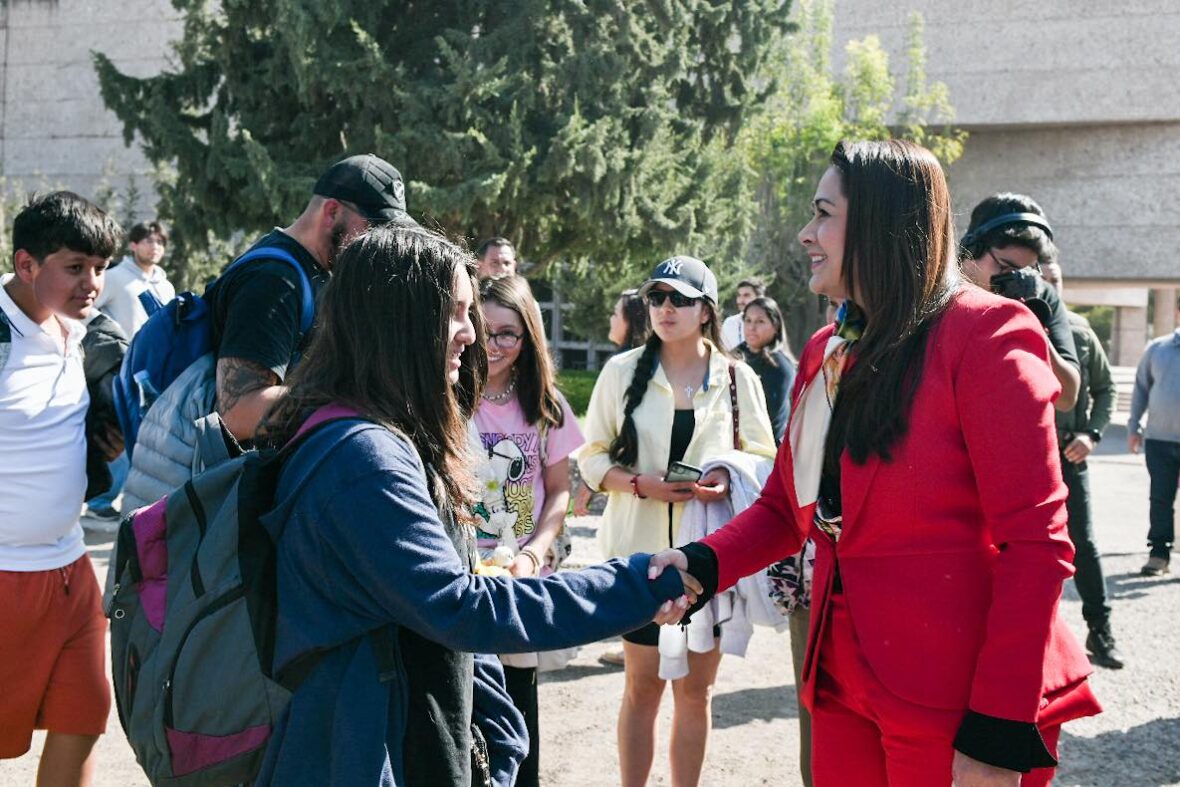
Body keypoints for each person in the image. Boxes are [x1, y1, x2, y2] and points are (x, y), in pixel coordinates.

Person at [651, 140, 1102, 787]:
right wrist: (701, 563)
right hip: (839, 678)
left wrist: (998, 731)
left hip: (956, 699)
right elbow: (786, 506)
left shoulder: (989, 336)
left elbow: (1036, 544)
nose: (807, 233)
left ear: (880, 225)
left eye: (823, 214)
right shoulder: (825, 352)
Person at [252, 225, 695, 786]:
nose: (471, 334)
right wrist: (634, 586)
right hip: (361, 751)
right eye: (457, 313)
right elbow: (462, 608)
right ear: (401, 320)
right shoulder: (364, 459)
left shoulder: (361, 429)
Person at [122, 153, 416, 511]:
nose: (378, 245)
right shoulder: (275, 281)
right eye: (372, 230)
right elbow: (239, 412)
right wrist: (353, 394)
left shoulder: (313, 272)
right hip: (212, 505)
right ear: (332, 211)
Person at [579, 255, 776, 787]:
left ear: (706, 311)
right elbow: (590, 456)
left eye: (680, 299)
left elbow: (764, 459)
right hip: (637, 556)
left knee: (696, 691)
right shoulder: (622, 371)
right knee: (641, 688)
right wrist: (642, 484)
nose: (665, 309)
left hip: (707, 558)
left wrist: (726, 479)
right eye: (657, 298)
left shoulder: (738, 378)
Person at [0, 191, 123, 786]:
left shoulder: (88, 334)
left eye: (99, 268)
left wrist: (110, 433)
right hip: (4, 575)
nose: (92, 283)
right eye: (75, 267)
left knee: (86, 716)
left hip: (73, 568)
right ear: (27, 265)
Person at [472, 274, 585, 787]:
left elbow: (559, 490)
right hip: (461, 578)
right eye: (484, 329)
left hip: (520, 576)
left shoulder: (546, 406)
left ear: (528, 339)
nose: (494, 345)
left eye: (508, 335)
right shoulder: (446, 395)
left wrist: (536, 554)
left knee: (517, 703)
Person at [1040, 262, 1123, 668]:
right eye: (1040, 278)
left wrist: (1092, 434)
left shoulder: (1079, 330)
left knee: (1084, 546)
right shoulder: (1003, 324)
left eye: (1054, 280)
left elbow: (1106, 389)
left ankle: (1101, 632)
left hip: (1069, 456)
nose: (1047, 286)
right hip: (1026, 460)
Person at [961, 193, 1081, 413]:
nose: (1014, 279)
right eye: (1005, 268)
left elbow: (1067, 397)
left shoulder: (1039, 295)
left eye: (1025, 271)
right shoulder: (938, 289)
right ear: (972, 248)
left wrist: (1029, 322)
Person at [573, 288, 649, 519]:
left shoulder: (625, 368)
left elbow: (619, 434)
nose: (611, 320)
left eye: (616, 314)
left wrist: (590, 482)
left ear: (632, 320)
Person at [1128, 322, 1180, 577]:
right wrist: (1133, 427)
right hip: (1160, 440)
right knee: (1160, 499)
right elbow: (1141, 388)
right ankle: (1159, 554)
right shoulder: (1157, 348)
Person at [93, 220, 174, 338]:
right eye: (149, 241)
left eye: (160, 242)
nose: (155, 247)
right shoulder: (112, 277)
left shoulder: (166, 286)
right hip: (121, 354)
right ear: (133, 245)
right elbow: (85, 310)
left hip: (159, 355)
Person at [736, 295, 796, 445]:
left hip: (765, 449)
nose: (751, 327)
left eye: (760, 321)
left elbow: (767, 416)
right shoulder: (734, 355)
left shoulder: (780, 366)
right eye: (748, 320)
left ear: (775, 326)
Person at [720, 278, 764, 351]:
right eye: (739, 295)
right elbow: (722, 354)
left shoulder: (769, 323)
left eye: (746, 295)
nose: (741, 300)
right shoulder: (730, 323)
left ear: (759, 298)